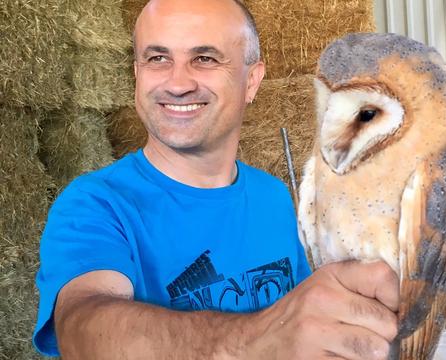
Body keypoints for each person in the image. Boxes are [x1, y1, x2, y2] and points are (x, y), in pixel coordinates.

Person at [32, 0, 399, 358]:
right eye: (157, 59)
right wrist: (254, 340)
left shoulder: (271, 196)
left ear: (252, 80)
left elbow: (299, 319)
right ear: (136, 74)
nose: (177, 84)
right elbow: (84, 332)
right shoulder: (94, 203)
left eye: (204, 58)